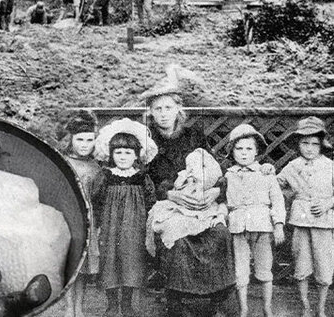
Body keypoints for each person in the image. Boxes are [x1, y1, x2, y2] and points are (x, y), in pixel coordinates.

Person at [143, 83, 237, 317]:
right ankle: (178, 302)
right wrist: (170, 194)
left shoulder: (193, 135)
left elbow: (211, 167)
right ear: (151, 112)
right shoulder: (146, 139)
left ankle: (216, 299)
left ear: (178, 109)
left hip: (199, 200)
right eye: (158, 109)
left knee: (219, 234)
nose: (163, 114)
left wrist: (215, 191)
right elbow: (143, 179)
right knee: (178, 239)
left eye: (168, 107)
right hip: (167, 202)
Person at [92, 118, 157, 317]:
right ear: (111, 154)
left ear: (136, 155)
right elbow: (97, 200)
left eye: (128, 153)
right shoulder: (105, 176)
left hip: (134, 227)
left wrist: (148, 225)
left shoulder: (141, 177)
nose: (122, 157)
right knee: (110, 261)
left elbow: (151, 201)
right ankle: (112, 304)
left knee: (132, 261)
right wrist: (98, 224)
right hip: (110, 227)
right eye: (118, 152)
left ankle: (127, 304)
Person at [225, 124, 285, 317]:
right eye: (239, 148)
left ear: (257, 151)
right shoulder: (228, 175)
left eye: (249, 148)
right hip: (238, 228)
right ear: (232, 151)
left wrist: (278, 225)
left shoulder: (265, 173)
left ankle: (267, 308)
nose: (244, 153)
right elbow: (223, 201)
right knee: (240, 270)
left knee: (265, 269)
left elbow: (277, 200)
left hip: (262, 227)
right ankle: (243, 309)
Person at [276, 117, 334, 317]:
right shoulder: (292, 166)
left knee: (324, 266)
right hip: (300, 222)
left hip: (324, 223)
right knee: (301, 264)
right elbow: (276, 184)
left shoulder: (330, 166)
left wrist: (328, 203)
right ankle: (305, 307)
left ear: (322, 144)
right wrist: (267, 170)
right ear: (297, 144)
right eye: (304, 143)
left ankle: (321, 309)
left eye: (314, 144)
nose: (309, 148)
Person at [61, 111, 101, 317]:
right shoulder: (63, 162)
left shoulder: (96, 167)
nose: (84, 145)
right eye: (80, 140)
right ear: (71, 140)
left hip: (88, 220)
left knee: (83, 265)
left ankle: (80, 307)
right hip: (67, 217)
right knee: (70, 263)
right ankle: (69, 307)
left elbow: (98, 196)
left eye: (89, 140)